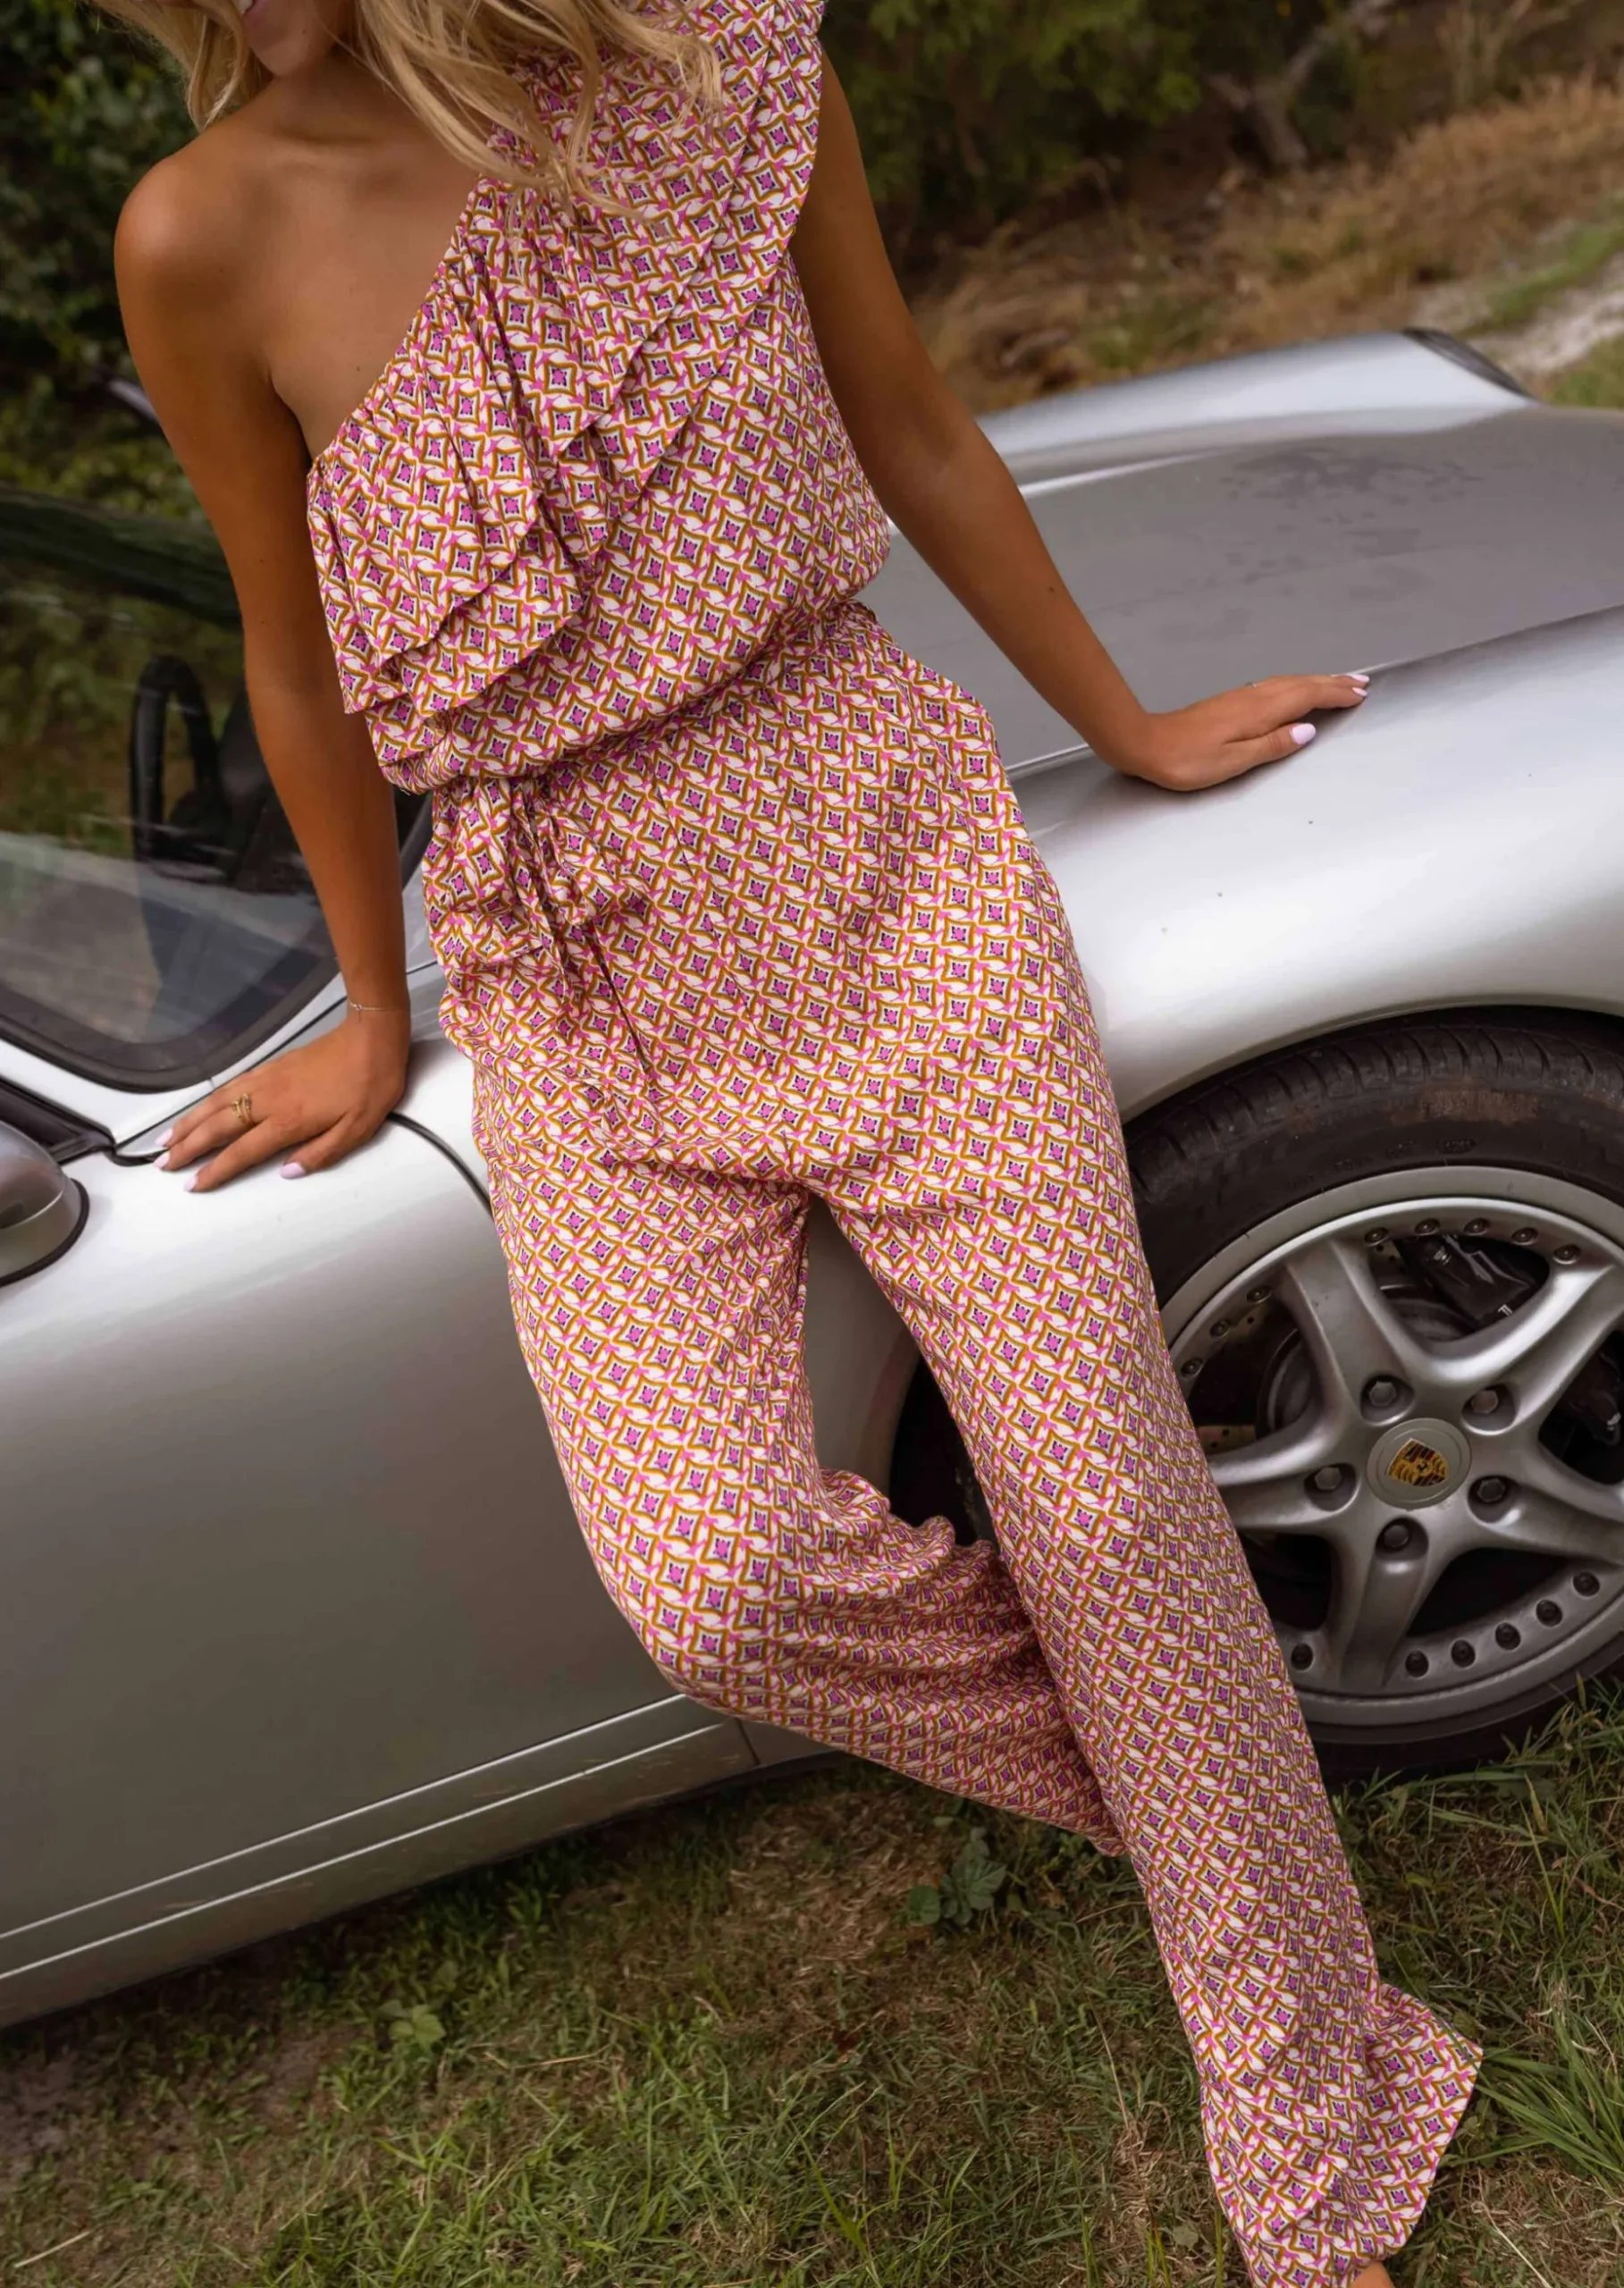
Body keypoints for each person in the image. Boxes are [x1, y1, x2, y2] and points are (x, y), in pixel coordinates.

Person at [105, 0, 1478, 2275]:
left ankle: (1300, 2077)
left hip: (876, 847)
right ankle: (1212, 1805)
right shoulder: (197, 236)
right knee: (717, 1581)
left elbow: (909, 420)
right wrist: (372, 1004)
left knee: (1106, 1510)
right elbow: (292, 652)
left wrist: (1127, 728)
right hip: (569, 958)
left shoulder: (720, 73)